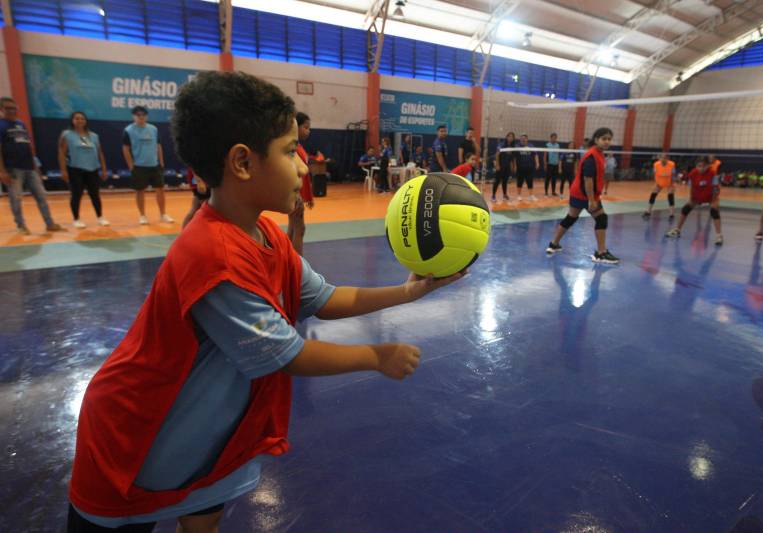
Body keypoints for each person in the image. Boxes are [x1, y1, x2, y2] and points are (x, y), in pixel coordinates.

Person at [67, 71, 465, 532]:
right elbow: (286, 353)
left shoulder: (267, 237)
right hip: (136, 436)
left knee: (202, 519)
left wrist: (410, 291)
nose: (302, 166)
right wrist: (376, 355)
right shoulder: (213, 255)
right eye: (289, 150)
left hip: (206, 434)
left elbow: (326, 298)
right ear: (242, 162)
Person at [545, 127, 619, 264]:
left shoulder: (598, 154)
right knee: (602, 218)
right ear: (596, 140)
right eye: (604, 139)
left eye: (609, 139)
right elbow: (588, 180)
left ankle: (553, 244)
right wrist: (591, 200)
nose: (607, 141)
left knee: (571, 218)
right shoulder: (592, 156)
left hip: (577, 192)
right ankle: (601, 253)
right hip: (585, 194)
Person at [0, 96, 63, 234]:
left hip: (30, 168)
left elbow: (28, 147)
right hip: (13, 169)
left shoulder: (21, 124)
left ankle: (49, 223)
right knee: (16, 199)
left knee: (41, 196)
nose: (11, 110)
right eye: (8, 108)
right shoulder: (1, 125)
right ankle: (21, 226)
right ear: (1, 109)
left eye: (13, 108)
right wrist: (2, 171)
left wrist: (35, 167)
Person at [122, 106, 174, 225]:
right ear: (133, 116)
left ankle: (163, 214)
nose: (141, 117)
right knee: (140, 191)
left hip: (154, 165)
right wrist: (131, 165)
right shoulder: (128, 130)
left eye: (143, 115)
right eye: (138, 115)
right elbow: (125, 148)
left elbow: (158, 145)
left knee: (160, 190)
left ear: (146, 116)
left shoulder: (153, 129)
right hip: (139, 166)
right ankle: (142, 215)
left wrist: (161, 161)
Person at [58, 111, 110, 228]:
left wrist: (104, 168)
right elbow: (62, 153)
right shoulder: (67, 135)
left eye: (82, 118)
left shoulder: (94, 136)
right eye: (77, 118)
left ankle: (100, 217)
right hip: (75, 169)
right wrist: (63, 170)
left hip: (92, 169)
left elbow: (100, 153)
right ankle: (76, 219)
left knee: (95, 194)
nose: (80, 120)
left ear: (86, 121)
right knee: (76, 194)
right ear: (72, 120)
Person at [665, 156, 724, 246]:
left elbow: (716, 189)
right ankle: (677, 230)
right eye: (698, 166)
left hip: (711, 196)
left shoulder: (713, 173)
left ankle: (719, 235)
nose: (700, 168)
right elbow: (692, 188)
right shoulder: (693, 173)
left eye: (703, 166)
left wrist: (714, 200)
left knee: (714, 211)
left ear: (708, 165)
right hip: (698, 196)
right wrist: (692, 199)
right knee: (686, 208)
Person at [288, 111, 314, 254]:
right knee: (300, 228)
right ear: (295, 126)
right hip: (295, 195)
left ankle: (288, 259)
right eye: (305, 127)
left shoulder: (299, 147)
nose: (308, 131)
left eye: (309, 128)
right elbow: (294, 173)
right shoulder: (293, 148)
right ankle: (298, 265)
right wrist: (297, 194)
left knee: (293, 226)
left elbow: (306, 175)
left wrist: (309, 197)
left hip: (298, 194)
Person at [642, 153, 677, 220]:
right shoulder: (656, 164)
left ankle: (671, 214)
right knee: (653, 195)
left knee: (670, 196)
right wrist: (656, 182)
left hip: (669, 182)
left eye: (665, 158)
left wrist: (673, 183)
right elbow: (655, 174)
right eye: (662, 158)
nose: (663, 159)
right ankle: (648, 212)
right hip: (659, 182)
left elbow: (674, 174)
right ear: (659, 158)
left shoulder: (672, 164)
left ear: (667, 159)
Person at [492, 132, 517, 203]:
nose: (511, 138)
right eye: (509, 136)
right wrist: (497, 165)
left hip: (507, 166)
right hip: (501, 165)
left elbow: (513, 158)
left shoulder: (512, 146)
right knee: (497, 181)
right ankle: (493, 195)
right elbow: (497, 154)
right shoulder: (502, 144)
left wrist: (514, 166)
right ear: (507, 137)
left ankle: (504, 195)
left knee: (505, 181)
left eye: (512, 137)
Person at [515, 134, 538, 201]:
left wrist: (537, 163)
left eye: (524, 138)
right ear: (520, 139)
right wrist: (515, 166)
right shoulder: (517, 146)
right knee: (520, 181)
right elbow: (514, 157)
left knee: (530, 181)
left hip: (529, 167)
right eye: (522, 138)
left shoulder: (531, 146)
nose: (523, 139)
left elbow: (535, 155)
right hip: (520, 167)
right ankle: (519, 195)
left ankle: (531, 195)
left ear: (527, 139)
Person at [544, 133, 561, 197]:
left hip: (555, 164)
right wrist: (545, 164)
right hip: (549, 164)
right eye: (553, 137)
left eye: (555, 137)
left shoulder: (558, 145)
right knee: (547, 179)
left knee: (554, 179)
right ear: (550, 138)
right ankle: (546, 192)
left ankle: (553, 192)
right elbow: (545, 155)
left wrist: (559, 165)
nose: (554, 139)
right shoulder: (547, 145)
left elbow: (558, 155)